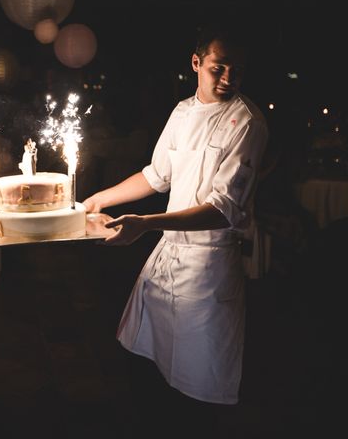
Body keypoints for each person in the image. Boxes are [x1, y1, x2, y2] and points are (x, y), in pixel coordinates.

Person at [83, 23, 269, 437]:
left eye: (236, 70)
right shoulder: (183, 111)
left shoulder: (248, 123)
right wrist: (102, 198)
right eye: (218, 68)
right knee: (141, 361)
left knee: (194, 391)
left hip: (209, 267)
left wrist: (146, 224)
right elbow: (156, 175)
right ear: (196, 62)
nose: (227, 78)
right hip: (168, 257)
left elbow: (222, 210)